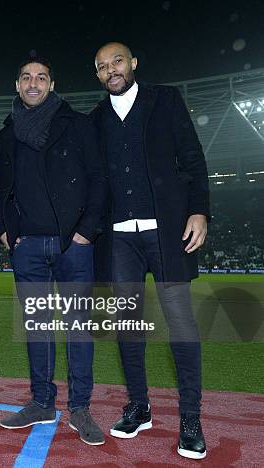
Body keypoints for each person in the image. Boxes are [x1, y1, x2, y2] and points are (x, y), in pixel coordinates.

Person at [90, 42, 210, 459]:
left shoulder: (165, 100)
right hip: (119, 238)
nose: (111, 70)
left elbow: (193, 158)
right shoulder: (97, 119)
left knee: (180, 324)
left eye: (117, 61)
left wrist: (198, 210)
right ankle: (139, 407)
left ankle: (190, 419)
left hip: (166, 233)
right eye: (103, 67)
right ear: (99, 75)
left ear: (134, 63)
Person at [0, 57, 107, 445]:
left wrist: (86, 233)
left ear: (52, 84)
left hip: (72, 244)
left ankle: (80, 407)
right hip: (27, 247)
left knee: (79, 330)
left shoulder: (76, 124)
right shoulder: (7, 133)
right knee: (38, 330)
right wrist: (4, 231)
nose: (33, 83)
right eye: (26, 77)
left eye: (41, 77)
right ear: (18, 84)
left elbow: (97, 179)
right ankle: (42, 401)